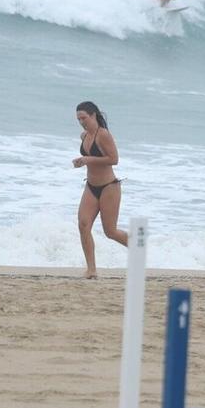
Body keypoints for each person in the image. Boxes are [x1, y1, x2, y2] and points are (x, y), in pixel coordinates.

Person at [73, 101, 128, 278]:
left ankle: (139, 246)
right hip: (91, 186)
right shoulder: (84, 136)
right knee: (83, 224)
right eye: (79, 119)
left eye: (84, 118)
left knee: (110, 231)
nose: (81, 122)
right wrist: (81, 162)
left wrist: (88, 159)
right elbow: (89, 158)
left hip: (109, 187)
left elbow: (114, 159)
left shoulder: (103, 135)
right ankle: (91, 269)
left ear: (94, 115)